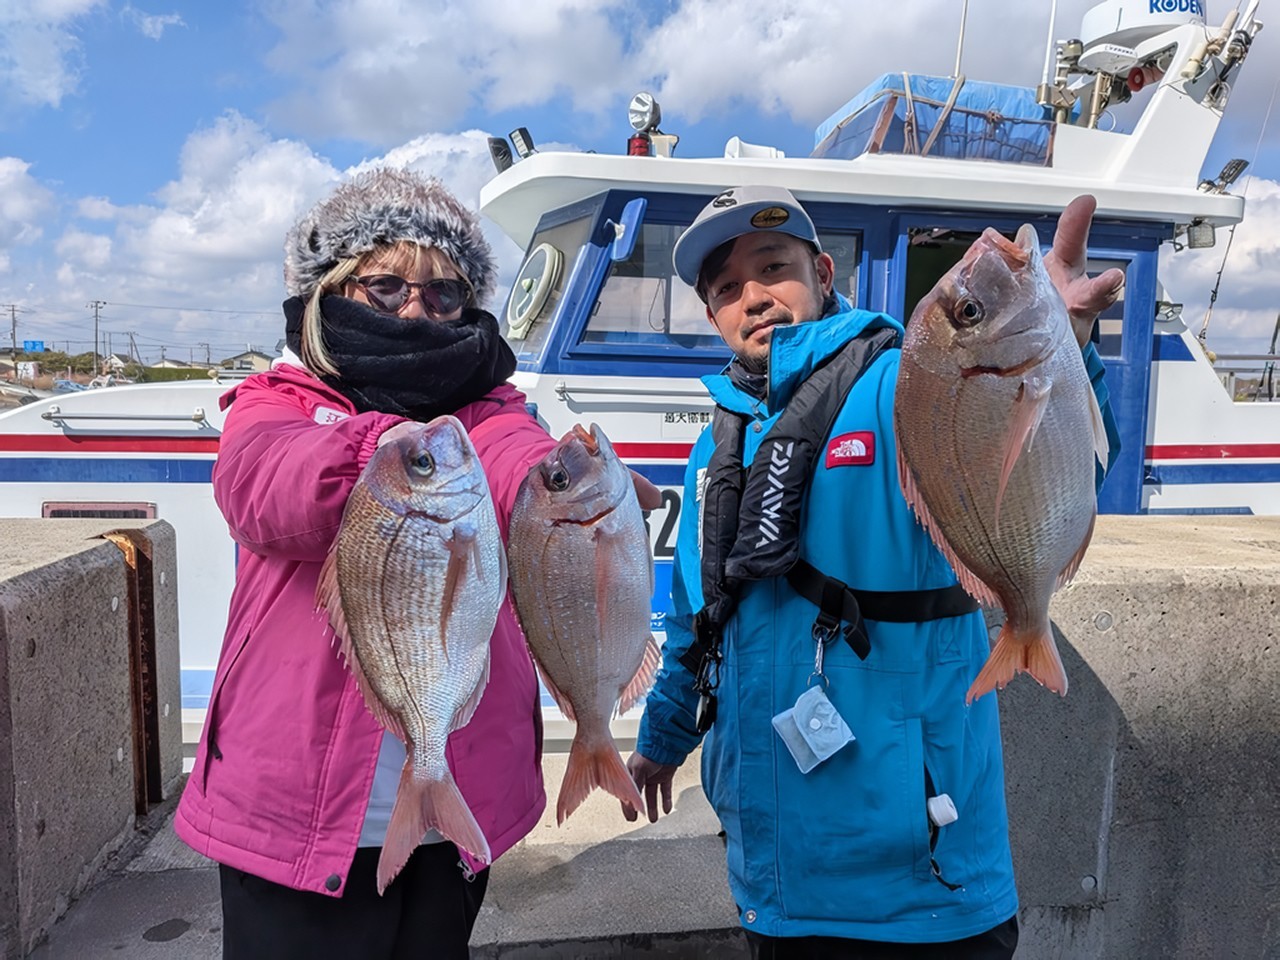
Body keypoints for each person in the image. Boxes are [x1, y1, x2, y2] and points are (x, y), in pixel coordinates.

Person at [624, 186, 1123, 958]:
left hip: (925, 881)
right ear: (714, 315)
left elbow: (1048, 463)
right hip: (776, 880)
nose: (753, 296)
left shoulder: (903, 384)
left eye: (774, 268)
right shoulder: (712, 450)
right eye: (726, 289)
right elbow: (700, 616)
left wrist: (1059, 342)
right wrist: (662, 738)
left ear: (823, 272)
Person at [174, 167, 657, 959]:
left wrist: (555, 490)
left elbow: (511, 459)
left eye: (444, 293)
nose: (417, 308)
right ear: (331, 288)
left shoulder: (488, 411)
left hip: (460, 796)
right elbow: (263, 491)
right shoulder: (278, 400)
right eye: (386, 285)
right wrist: (387, 451)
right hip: (292, 806)